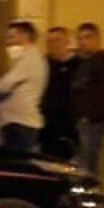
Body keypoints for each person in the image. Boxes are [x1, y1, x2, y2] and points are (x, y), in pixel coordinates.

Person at [0, 19, 48, 153]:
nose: (8, 42)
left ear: (24, 36)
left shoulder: (29, 59)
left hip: (20, 123)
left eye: (11, 37)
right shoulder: (26, 60)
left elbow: (2, 85)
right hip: (17, 122)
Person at [70, 22, 104, 178]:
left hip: (92, 122)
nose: (83, 42)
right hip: (84, 121)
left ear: (97, 39)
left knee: (90, 163)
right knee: (84, 161)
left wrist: (91, 117)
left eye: (87, 38)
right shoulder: (85, 62)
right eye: (80, 39)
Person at [39, 25, 78, 159]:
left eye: (57, 40)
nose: (53, 45)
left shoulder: (79, 64)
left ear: (67, 42)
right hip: (47, 122)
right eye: (50, 41)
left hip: (71, 123)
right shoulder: (43, 64)